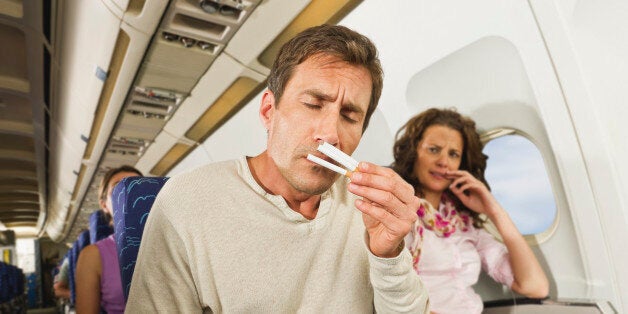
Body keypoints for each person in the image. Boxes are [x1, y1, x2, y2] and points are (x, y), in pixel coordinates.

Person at [126, 24, 430, 312]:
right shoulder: (187, 201)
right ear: (269, 111)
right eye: (313, 104)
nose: (331, 133)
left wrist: (388, 254)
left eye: (350, 116)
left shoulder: (370, 208)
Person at [392, 108, 549, 313]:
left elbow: (534, 286)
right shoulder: (399, 214)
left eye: (453, 154)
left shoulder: (464, 225)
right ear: (414, 153)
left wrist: (493, 209)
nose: (443, 161)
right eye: (433, 149)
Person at [75, 165, 143, 314]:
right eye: (118, 189)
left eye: (137, 186)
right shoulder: (92, 256)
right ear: (104, 205)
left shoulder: (176, 239)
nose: (129, 193)